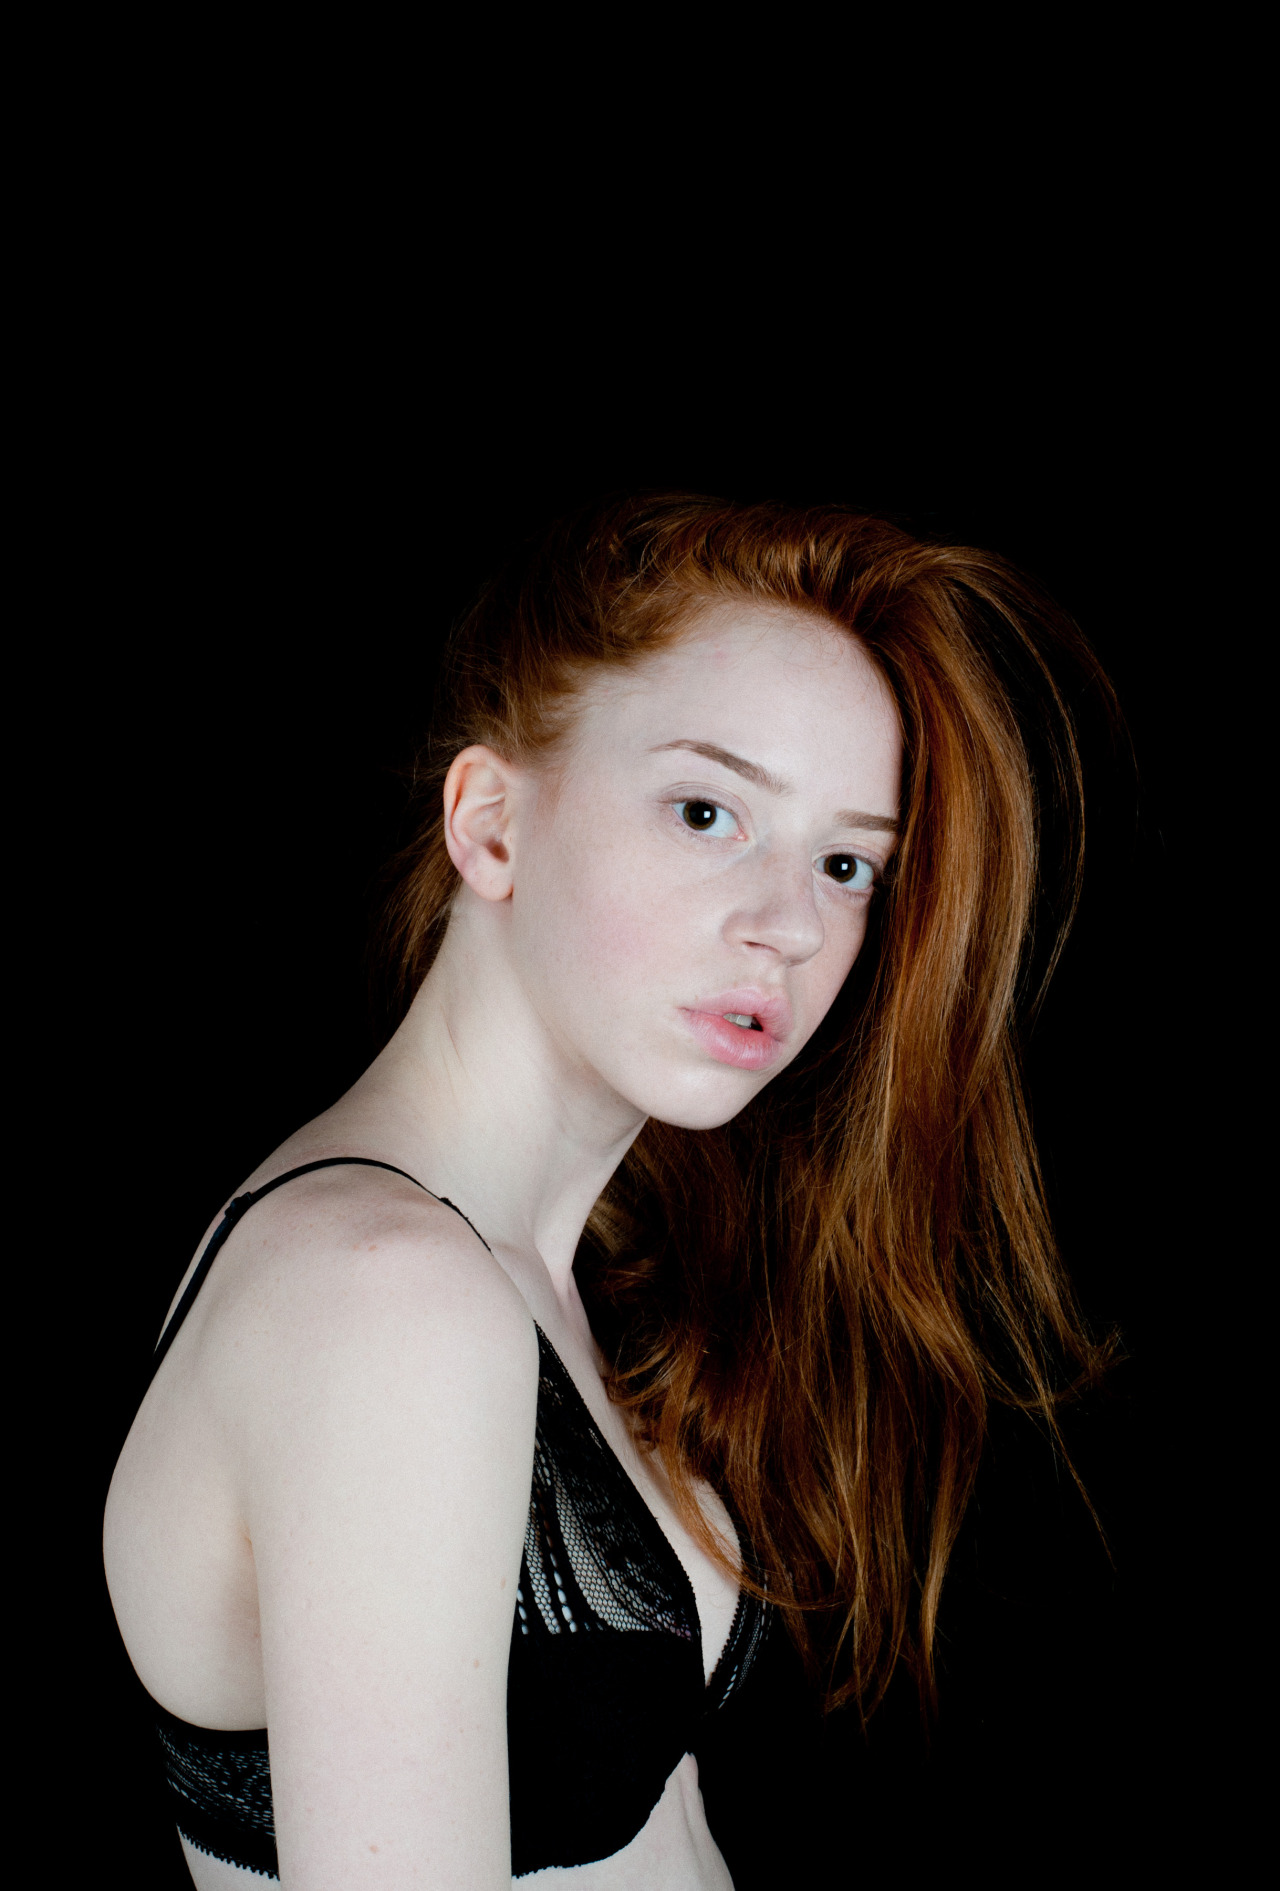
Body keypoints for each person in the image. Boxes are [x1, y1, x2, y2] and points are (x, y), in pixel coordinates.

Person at [104, 494, 1111, 1888]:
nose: (791, 925)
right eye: (708, 812)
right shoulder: (383, 1300)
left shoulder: (521, 1269)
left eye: (845, 864)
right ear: (491, 824)